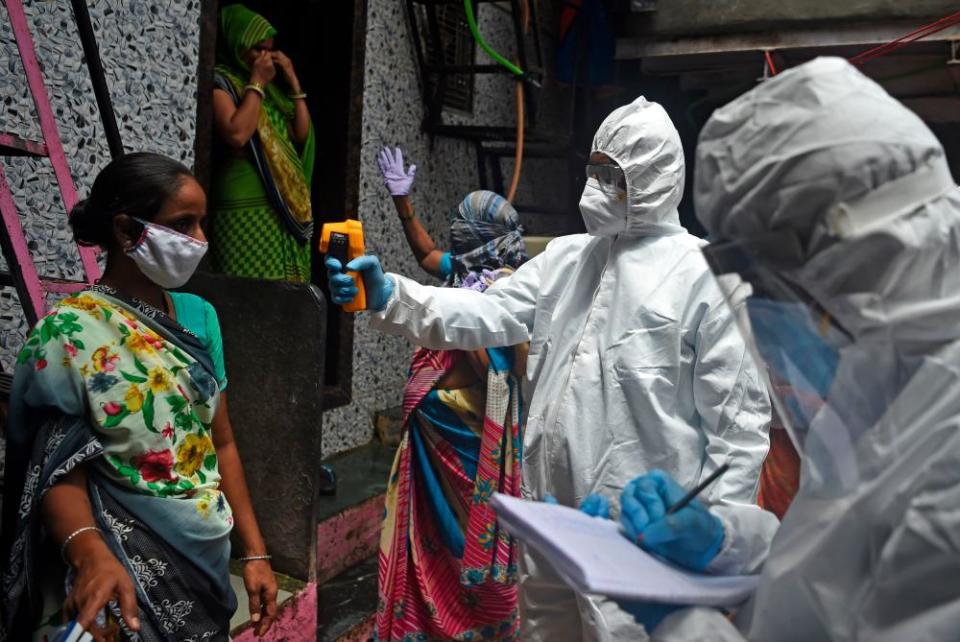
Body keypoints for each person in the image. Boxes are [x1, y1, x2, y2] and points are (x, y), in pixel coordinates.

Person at [328, 97, 772, 641]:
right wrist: (390, 295)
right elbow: (486, 310)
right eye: (594, 169)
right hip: (553, 527)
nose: (594, 188)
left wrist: (717, 542)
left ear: (654, 181)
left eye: (614, 177)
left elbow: (739, 430)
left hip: (643, 536)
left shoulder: (706, 278)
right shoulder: (569, 258)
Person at [602, 57, 960, 641]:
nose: (776, 326)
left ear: (845, 261)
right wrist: (725, 543)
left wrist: (682, 626)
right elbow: (846, 555)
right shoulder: (896, 369)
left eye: (773, 288)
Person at [1, 153, 278, 640]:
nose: (200, 241)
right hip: (119, 562)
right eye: (182, 224)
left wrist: (254, 553)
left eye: (201, 224)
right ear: (127, 231)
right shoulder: (69, 334)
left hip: (204, 560)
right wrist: (90, 552)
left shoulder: (199, 317)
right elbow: (57, 464)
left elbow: (223, 441)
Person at [365, 155, 530, 640]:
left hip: (468, 438)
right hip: (435, 426)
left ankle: (471, 625)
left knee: (466, 541)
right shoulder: (464, 269)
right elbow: (426, 256)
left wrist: (475, 322)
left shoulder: (509, 290)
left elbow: (505, 370)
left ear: (479, 235)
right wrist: (401, 200)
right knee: (427, 536)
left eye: (463, 225)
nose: (454, 232)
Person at [209, 4, 315, 283]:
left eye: (269, 49)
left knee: (284, 285)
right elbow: (237, 133)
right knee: (248, 282)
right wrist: (256, 81)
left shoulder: (272, 91)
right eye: (257, 49)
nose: (265, 56)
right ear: (236, 44)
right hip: (244, 197)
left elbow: (301, 134)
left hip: (281, 200)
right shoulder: (224, 83)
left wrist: (292, 81)